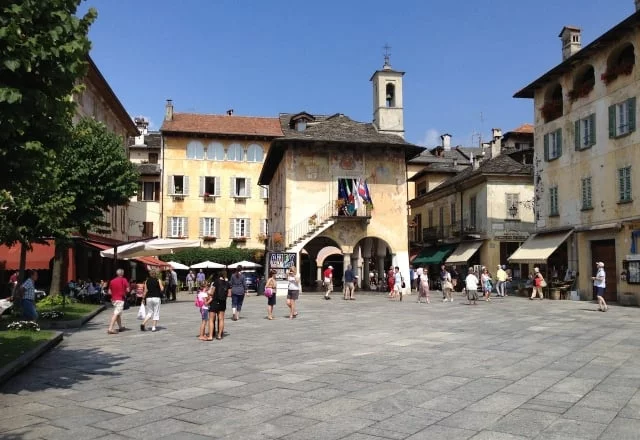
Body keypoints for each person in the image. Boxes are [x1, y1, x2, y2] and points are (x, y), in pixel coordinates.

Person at [107, 269, 130, 334]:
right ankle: (110, 328)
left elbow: (109, 292)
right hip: (120, 299)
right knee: (116, 313)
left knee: (118, 314)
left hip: (114, 299)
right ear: (122, 274)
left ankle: (120, 327)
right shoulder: (124, 280)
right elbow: (128, 290)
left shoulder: (112, 281)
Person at [209, 272, 230, 340]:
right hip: (223, 302)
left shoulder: (216, 281)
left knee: (211, 319)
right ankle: (219, 335)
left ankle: (210, 336)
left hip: (215, 301)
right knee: (221, 319)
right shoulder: (227, 283)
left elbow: (212, 292)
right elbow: (229, 294)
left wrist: (208, 293)